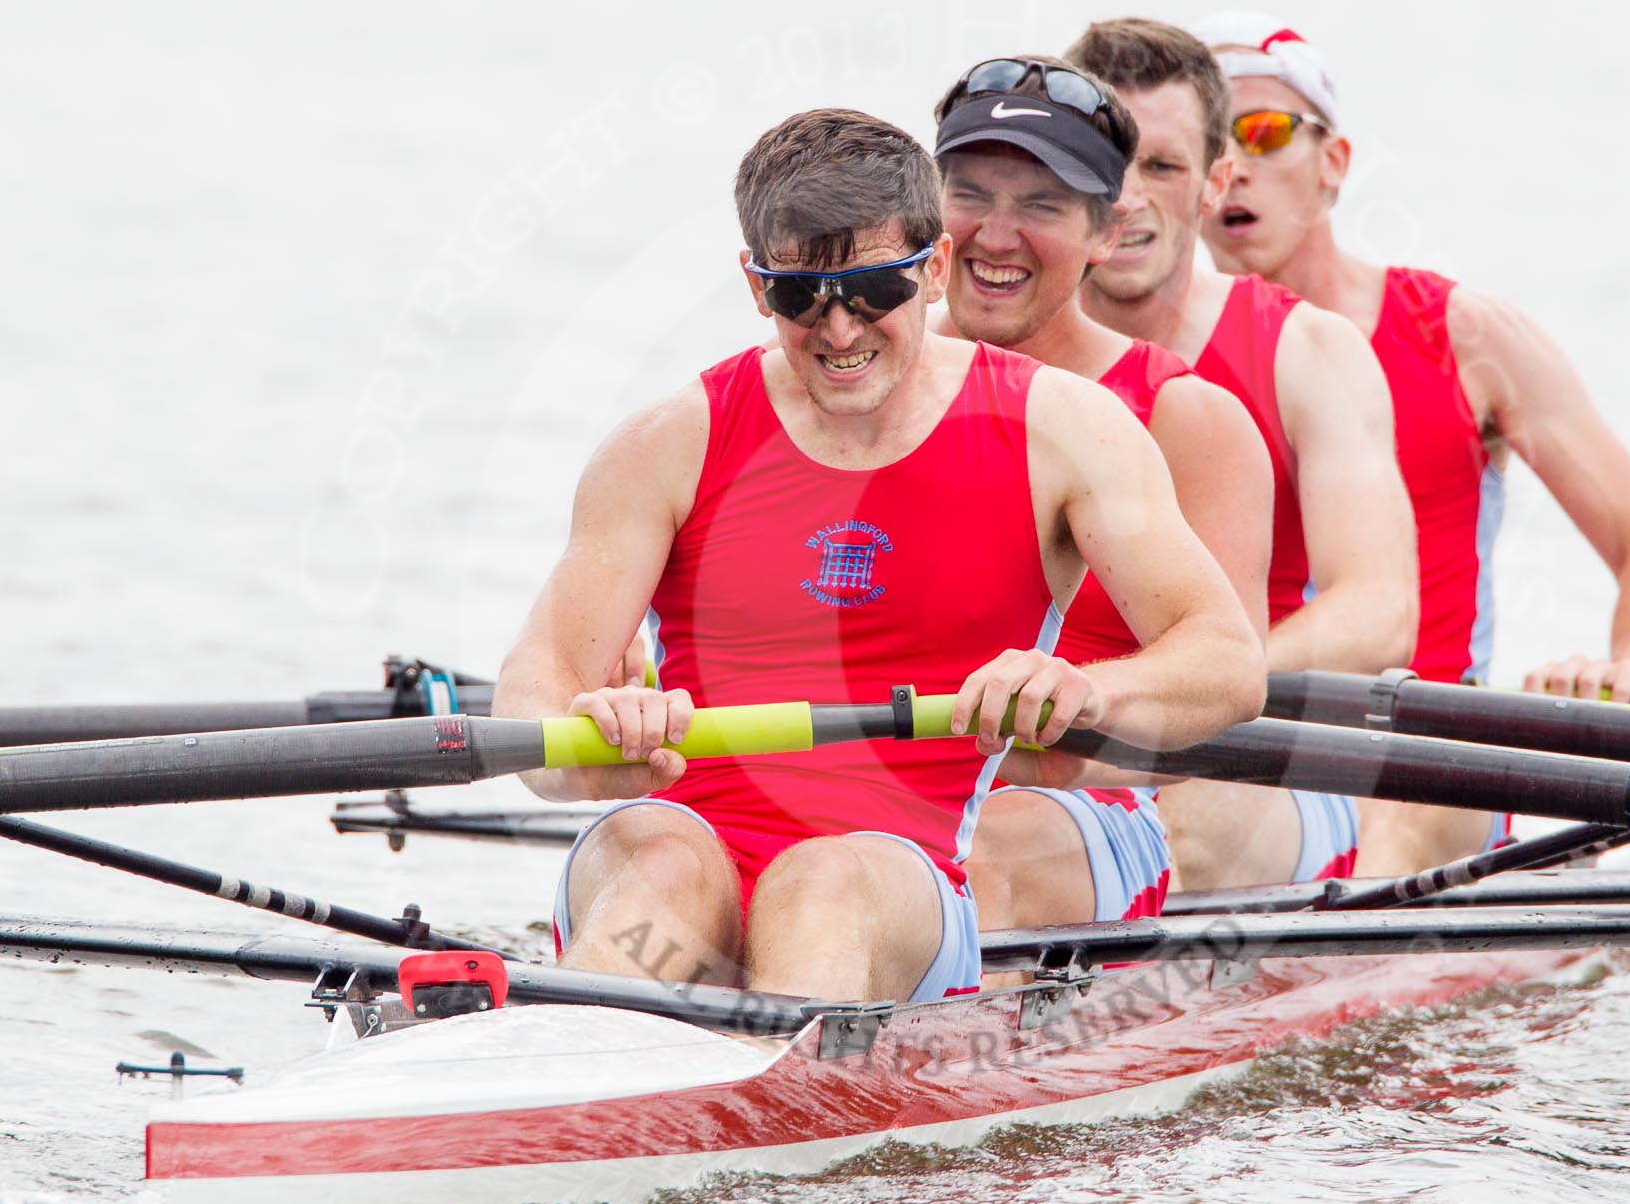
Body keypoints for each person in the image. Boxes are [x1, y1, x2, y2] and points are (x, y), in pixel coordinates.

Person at [492, 108, 1263, 1003]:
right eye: (798, 296)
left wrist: (1094, 690)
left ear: (934, 270)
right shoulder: (666, 444)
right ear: (754, 284)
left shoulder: (1064, 430)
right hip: (684, 835)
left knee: (822, 883)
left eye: (874, 291)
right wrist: (587, 757)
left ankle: (751, 1105)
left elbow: (1228, 661)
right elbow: (534, 693)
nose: (840, 330)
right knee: (661, 861)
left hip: (896, 871)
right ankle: (571, 1094)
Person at [1191, 11, 1630, 870]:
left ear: (1334, 166)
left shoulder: (1463, 335)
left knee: (1358, 835)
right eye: (1211, 141)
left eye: (1266, 131)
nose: (1235, 164)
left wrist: (1625, 678)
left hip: (1422, 757)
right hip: (1241, 750)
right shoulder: (1145, 357)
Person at [1064, 18, 1419, 890]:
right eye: (1105, 167)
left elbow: (1379, 612)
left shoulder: (1308, 353)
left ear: (1216, 179)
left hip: (1256, 751)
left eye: (1162, 166)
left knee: (1177, 820)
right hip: (1059, 741)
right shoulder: (989, 347)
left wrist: (1192, 678)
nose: (1127, 198)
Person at [925, 55, 1279, 929]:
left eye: (1041, 206)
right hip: (882, 782)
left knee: (976, 850)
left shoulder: (1186, 417)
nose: (997, 238)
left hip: (1085, 804)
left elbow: (1224, 696)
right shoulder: (855, 376)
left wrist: (1085, 712)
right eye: (971, 195)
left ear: (1106, 230)